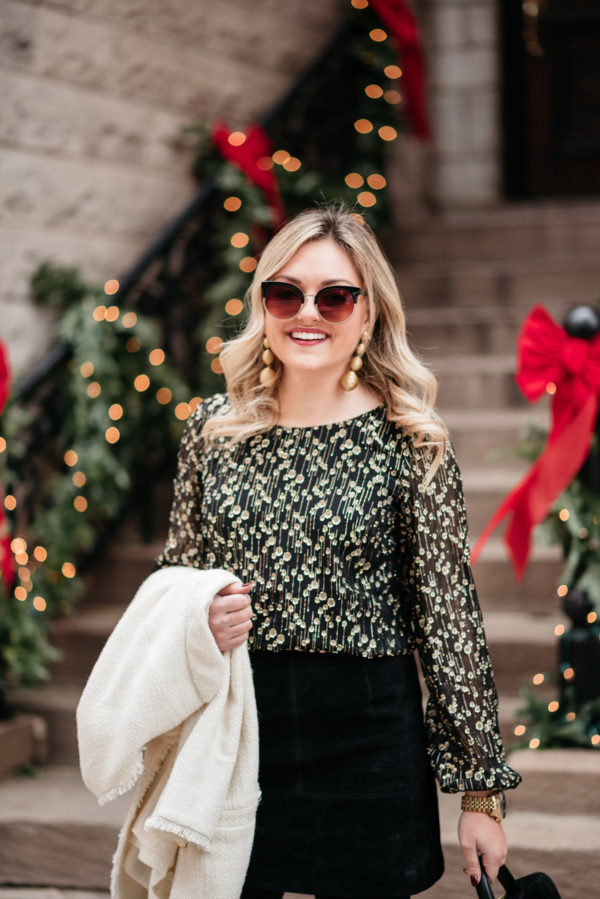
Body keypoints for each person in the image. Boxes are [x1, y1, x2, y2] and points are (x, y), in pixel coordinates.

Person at [154, 205, 521, 899]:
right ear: (264, 304)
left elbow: (447, 618)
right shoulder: (214, 428)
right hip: (238, 728)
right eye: (285, 293)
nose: (307, 312)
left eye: (335, 295)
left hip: (368, 734)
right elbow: (174, 580)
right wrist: (200, 616)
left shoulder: (410, 439)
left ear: (369, 311)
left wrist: (481, 792)